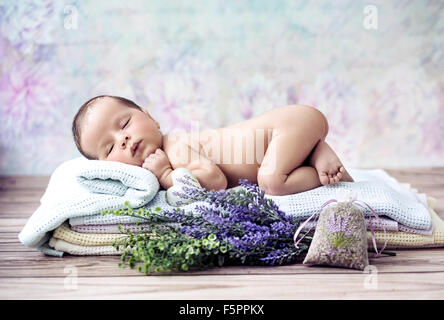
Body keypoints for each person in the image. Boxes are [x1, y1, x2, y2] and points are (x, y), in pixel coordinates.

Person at [72, 95, 354, 195]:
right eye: (109, 149)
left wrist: (167, 176)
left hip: (289, 124)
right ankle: (311, 152)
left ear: (151, 118)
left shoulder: (176, 146)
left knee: (273, 183)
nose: (122, 139)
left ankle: (320, 160)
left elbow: (216, 181)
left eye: (124, 125)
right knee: (274, 174)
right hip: (286, 134)